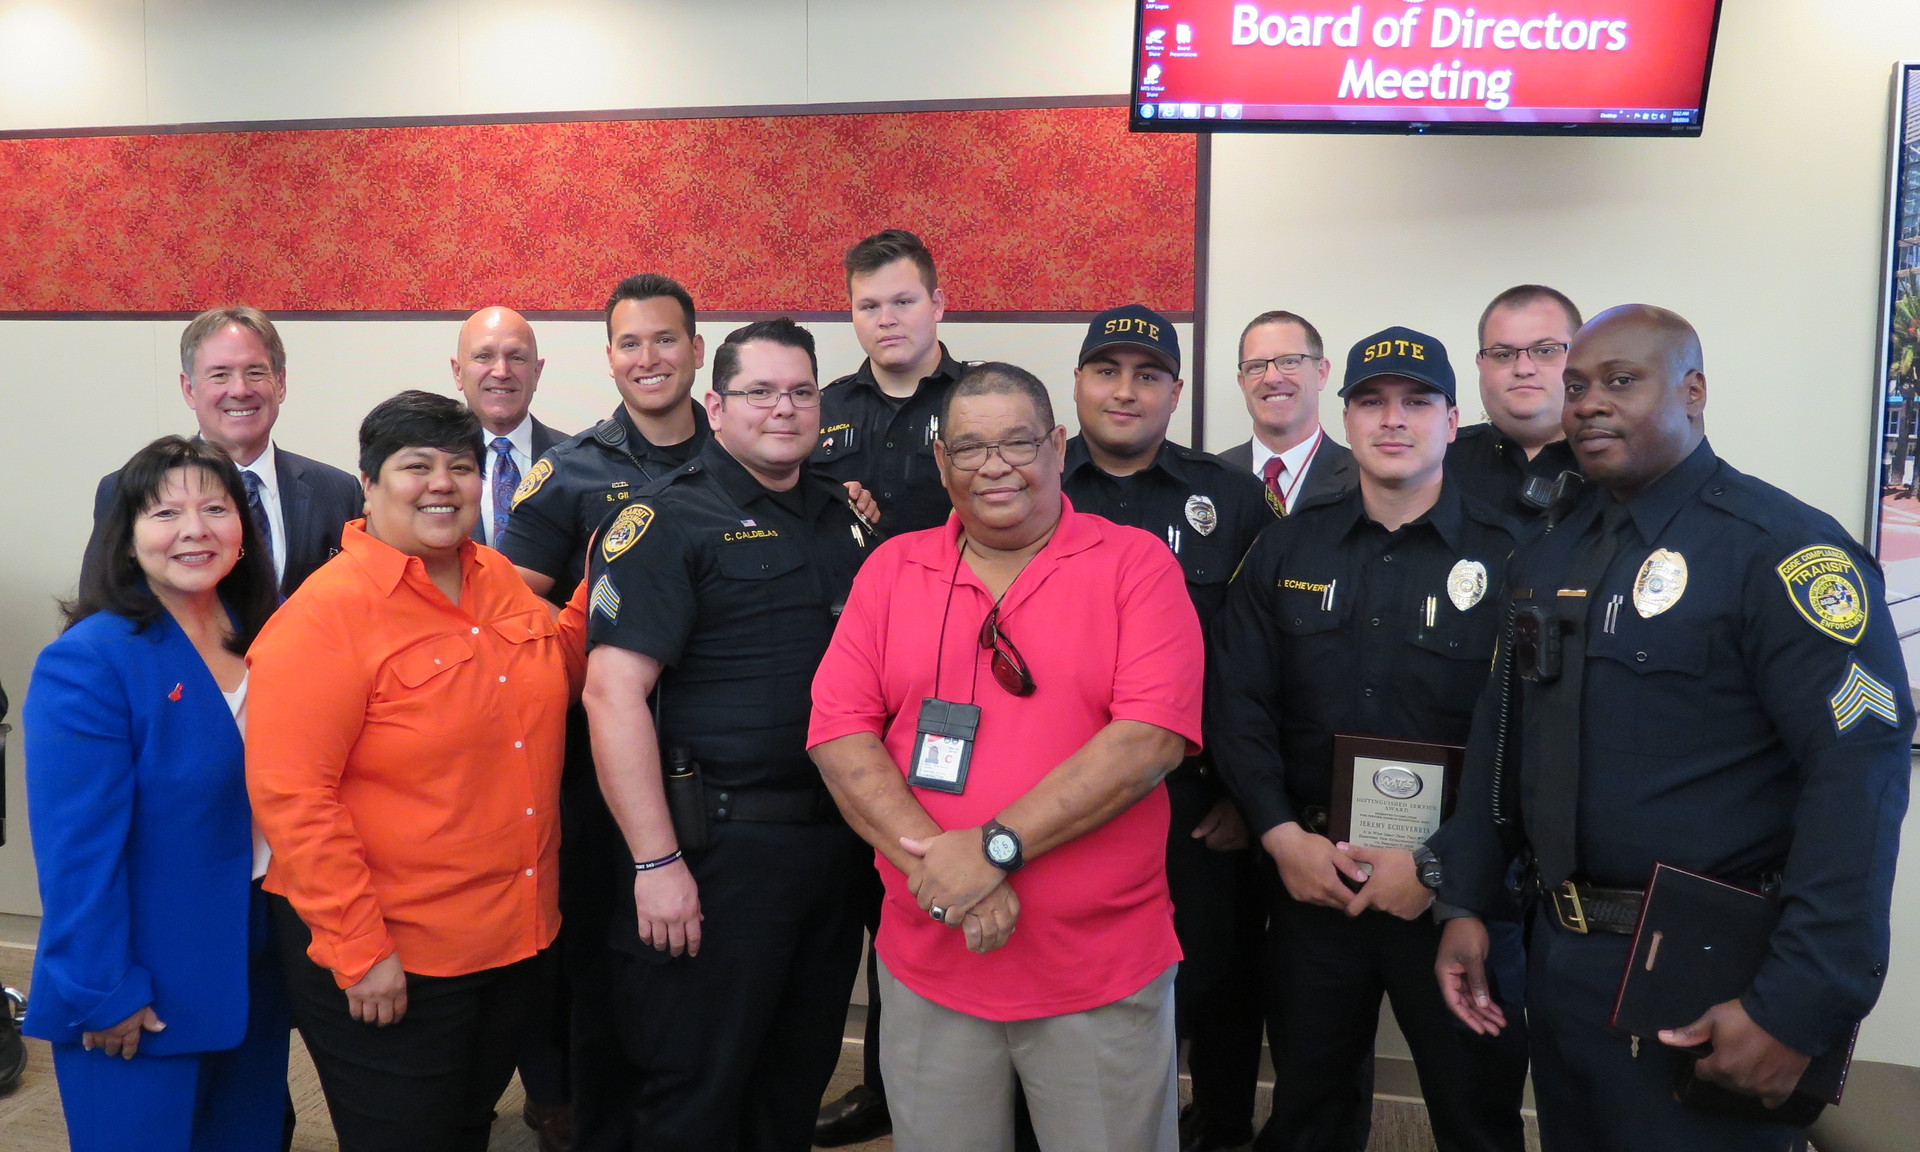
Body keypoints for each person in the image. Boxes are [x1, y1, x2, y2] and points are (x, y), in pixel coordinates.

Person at [1430, 306, 1914, 1152]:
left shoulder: (1781, 550)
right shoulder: (1550, 555)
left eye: (1621, 381)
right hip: (1562, 958)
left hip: (1705, 972)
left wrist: (1800, 1001)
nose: (1587, 404)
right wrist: (1465, 897)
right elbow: (1504, 742)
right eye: (1576, 386)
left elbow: (1857, 779)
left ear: (1693, 392)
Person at [810, 362, 1204, 1152]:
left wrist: (993, 850)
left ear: (1059, 447)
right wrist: (947, 877)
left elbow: (1149, 740)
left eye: (1019, 442)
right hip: (930, 959)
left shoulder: (1137, 566)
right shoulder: (892, 569)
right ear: (942, 461)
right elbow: (838, 733)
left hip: (1095, 970)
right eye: (970, 447)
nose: (995, 465)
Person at [1208, 328, 1528, 1152]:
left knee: (1474, 1115)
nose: (1394, 420)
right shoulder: (1286, 548)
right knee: (1308, 1112)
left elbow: (1532, 744)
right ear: (1344, 417)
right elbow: (1238, 702)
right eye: (1372, 401)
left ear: (1453, 421)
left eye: (1417, 401)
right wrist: (1281, 838)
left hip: (1459, 903)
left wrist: (1439, 872)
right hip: (1319, 881)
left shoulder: (1516, 560)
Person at [246, 391, 588, 1152]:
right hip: (396, 955)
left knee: (465, 1127)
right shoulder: (322, 618)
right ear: (369, 485)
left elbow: (555, 675)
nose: (442, 484)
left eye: (460, 467)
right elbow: (293, 800)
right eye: (416, 467)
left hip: (512, 943)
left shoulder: (495, 576)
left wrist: (617, 571)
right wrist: (360, 951)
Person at [573, 317, 874, 1152]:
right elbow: (611, 696)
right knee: (695, 1091)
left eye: (802, 391)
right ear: (716, 403)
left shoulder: (839, 515)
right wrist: (656, 861)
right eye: (761, 392)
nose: (785, 408)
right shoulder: (665, 520)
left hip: (828, 846)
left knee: (794, 1076)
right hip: (718, 852)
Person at [24, 435, 288, 1151]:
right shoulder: (88, 661)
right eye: (165, 513)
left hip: (256, 967)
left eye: (215, 508)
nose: (195, 530)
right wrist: (104, 990)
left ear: (244, 526)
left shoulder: (272, 637)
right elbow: (76, 854)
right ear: (127, 537)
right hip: (138, 985)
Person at [1058, 305, 1275, 1152]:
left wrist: (1241, 794)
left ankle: (1218, 1129)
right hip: (1059, 796)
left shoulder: (1231, 497)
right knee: (1075, 989)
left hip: (1194, 804)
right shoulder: (1034, 485)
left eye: (1149, 375)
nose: (1125, 391)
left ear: (1177, 393)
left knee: (1213, 984)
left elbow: (1255, 662)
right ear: (1076, 384)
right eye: (1106, 371)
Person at [813, 227, 968, 1146]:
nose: (886, 319)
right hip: (852, 687)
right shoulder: (823, 408)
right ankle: (881, 1085)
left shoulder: (980, 401)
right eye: (868, 305)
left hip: (959, 683)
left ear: (939, 304)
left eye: (903, 300)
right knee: (867, 902)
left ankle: (972, 1086)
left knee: (947, 882)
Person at [83, 307, 363, 598]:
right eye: (220, 375)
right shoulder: (124, 489)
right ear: (189, 389)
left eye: (255, 372)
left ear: (280, 383)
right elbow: (102, 601)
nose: (240, 390)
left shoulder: (338, 491)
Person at [1444, 284, 1584, 519]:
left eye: (1546, 351)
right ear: (1481, 364)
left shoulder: (1621, 465)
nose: (1523, 368)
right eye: (1503, 355)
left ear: (1582, 355)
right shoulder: (1436, 463)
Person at [451, 306, 572, 549]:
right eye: (484, 356)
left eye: (516, 357)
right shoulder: (429, 467)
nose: (501, 372)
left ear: (536, 373)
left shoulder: (577, 461)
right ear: (458, 373)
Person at [1217, 311, 1357, 513]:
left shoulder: (1365, 479)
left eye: (1289, 361)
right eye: (1256, 366)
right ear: (1242, 382)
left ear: (1321, 373)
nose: (1272, 378)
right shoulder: (1211, 478)